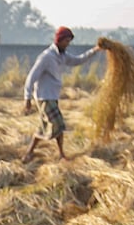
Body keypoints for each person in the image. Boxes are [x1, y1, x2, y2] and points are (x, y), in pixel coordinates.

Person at [21, 26, 104, 162]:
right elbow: (32, 76)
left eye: (69, 41)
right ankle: (59, 154)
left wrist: (95, 50)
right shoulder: (47, 56)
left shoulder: (62, 56)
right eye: (66, 41)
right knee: (58, 124)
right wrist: (27, 98)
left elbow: (78, 60)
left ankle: (30, 153)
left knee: (45, 126)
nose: (68, 44)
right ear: (59, 40)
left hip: (53, 96)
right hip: (44, 97)